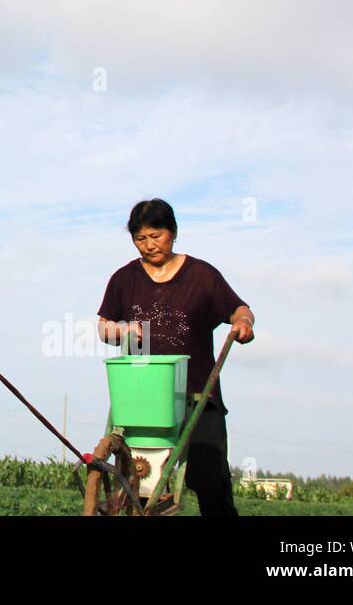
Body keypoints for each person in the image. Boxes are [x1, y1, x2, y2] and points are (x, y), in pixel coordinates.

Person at [95, 198, 254, 516]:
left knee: (210, 481)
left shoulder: (202, 276)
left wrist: (243, 322)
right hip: (143, 397)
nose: (149, 245)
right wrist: (124, 330)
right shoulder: (124, 279)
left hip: (196, 394)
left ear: (174, 232)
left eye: (156, 236)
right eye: (140, 239)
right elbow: (103, 327)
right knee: (140, 482)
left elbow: (239, 308)